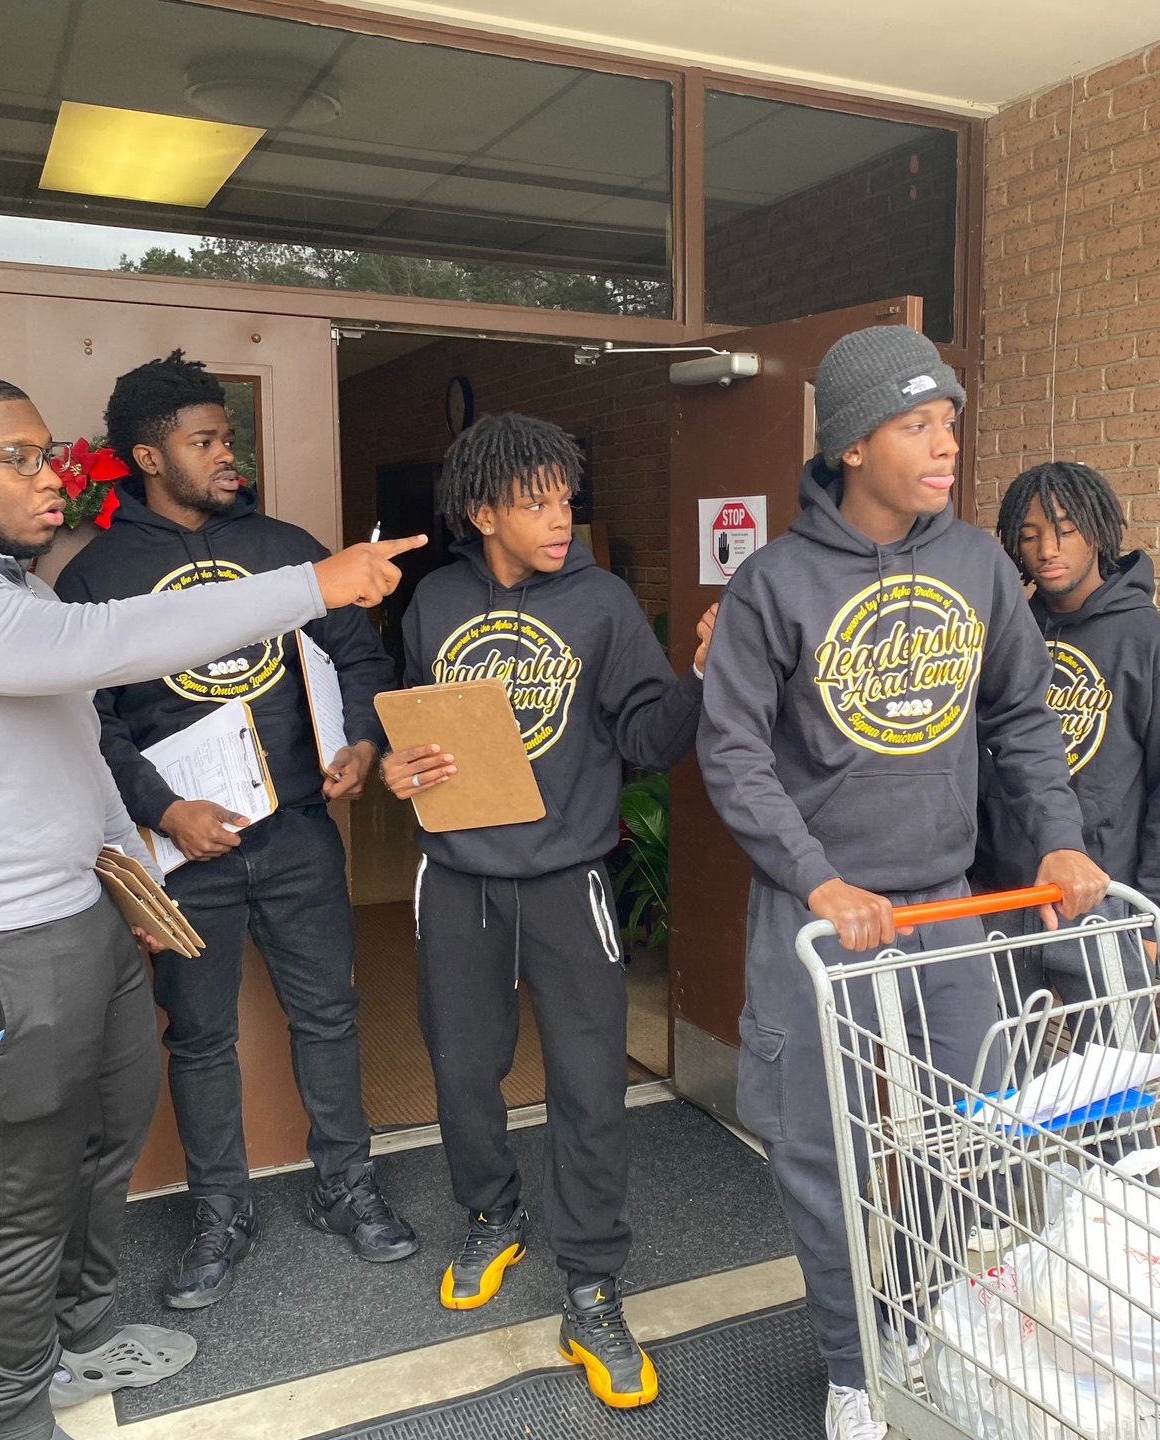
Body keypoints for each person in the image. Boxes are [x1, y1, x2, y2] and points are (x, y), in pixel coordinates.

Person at [0, 371, 421, 1440]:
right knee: (21, 1193)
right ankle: (15, 1418)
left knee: (101, 1147)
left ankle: (74, 1343)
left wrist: (128, 877)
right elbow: (94, 652)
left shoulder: (16, 593)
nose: (47, 476)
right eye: (15, 457)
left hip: (79, 911)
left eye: (46, 453)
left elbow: (72, 749)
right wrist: (312, 582)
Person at [695, 325, 1110, 1440]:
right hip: (820, 921)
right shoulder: (773, 584)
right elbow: (732, 751)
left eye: (950, 422)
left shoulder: (978, 565)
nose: (946, 446)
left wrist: (1057, 840)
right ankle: (852, 1365)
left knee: (974, 1136)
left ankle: (914, 1316)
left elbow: (1022, 719)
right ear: (851, 445)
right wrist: (817, 880)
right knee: (817, 1147)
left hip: (946, 905)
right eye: (917, 424)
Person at [54, 351, 415, 1310]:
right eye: (204, 441)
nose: (226, 455)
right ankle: (221, 1212)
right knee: (201, 1037)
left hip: (297, 832)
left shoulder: (287, 549)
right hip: (184, 852)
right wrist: (163, 809)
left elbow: (358, 655)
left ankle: (346, 1187)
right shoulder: (97, 577)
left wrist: (362, 741)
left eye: (227, 437)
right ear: (148, 457)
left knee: (329, 1014)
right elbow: (88, 720)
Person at [385, 412, 713, 1411]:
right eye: (535, 503)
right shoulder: (436, 602)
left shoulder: (603, 604)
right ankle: (492, 1216)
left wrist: (701, 678)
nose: (560, 518)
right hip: (457, 877)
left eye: (565, 499)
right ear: (483, 512)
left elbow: (649, 739)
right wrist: (397, 767)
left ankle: (593, 1286)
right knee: (462, 1069)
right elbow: (412, 722)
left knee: (589, 1087)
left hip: (569, 880)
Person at [973, 461, 1160, 980]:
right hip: (1000, 897)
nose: (1046, 550)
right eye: (1028, 536)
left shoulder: (1154, 646)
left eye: (1066, 531)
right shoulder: (1005, 636)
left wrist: (1156, 912)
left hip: (1104, 900)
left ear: (1097, 533)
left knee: (1115, 1038)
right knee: (999, 1038)